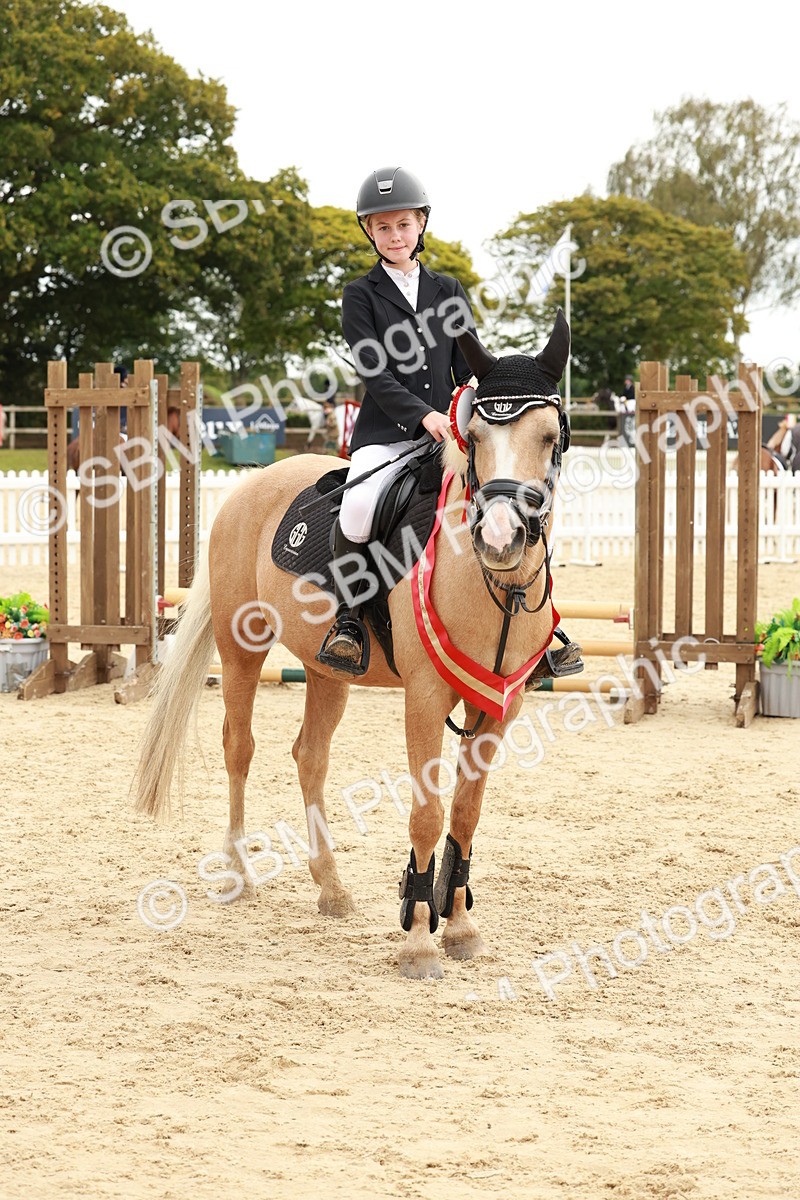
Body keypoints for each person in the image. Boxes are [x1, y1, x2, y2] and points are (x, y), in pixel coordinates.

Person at [316, 166, 476, 675]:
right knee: (359, 505)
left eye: (403, 224)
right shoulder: (359, 294)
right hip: (386, 435)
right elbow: (375, 373)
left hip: (448, 433)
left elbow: (468, 366)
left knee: (505, 495)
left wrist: (473, 405)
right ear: (369, 231)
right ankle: (347, 620)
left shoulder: (449, 289)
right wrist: (423, 415)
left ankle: (537, 624)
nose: (395, 236)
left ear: (421, 223)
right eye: (383, 227)